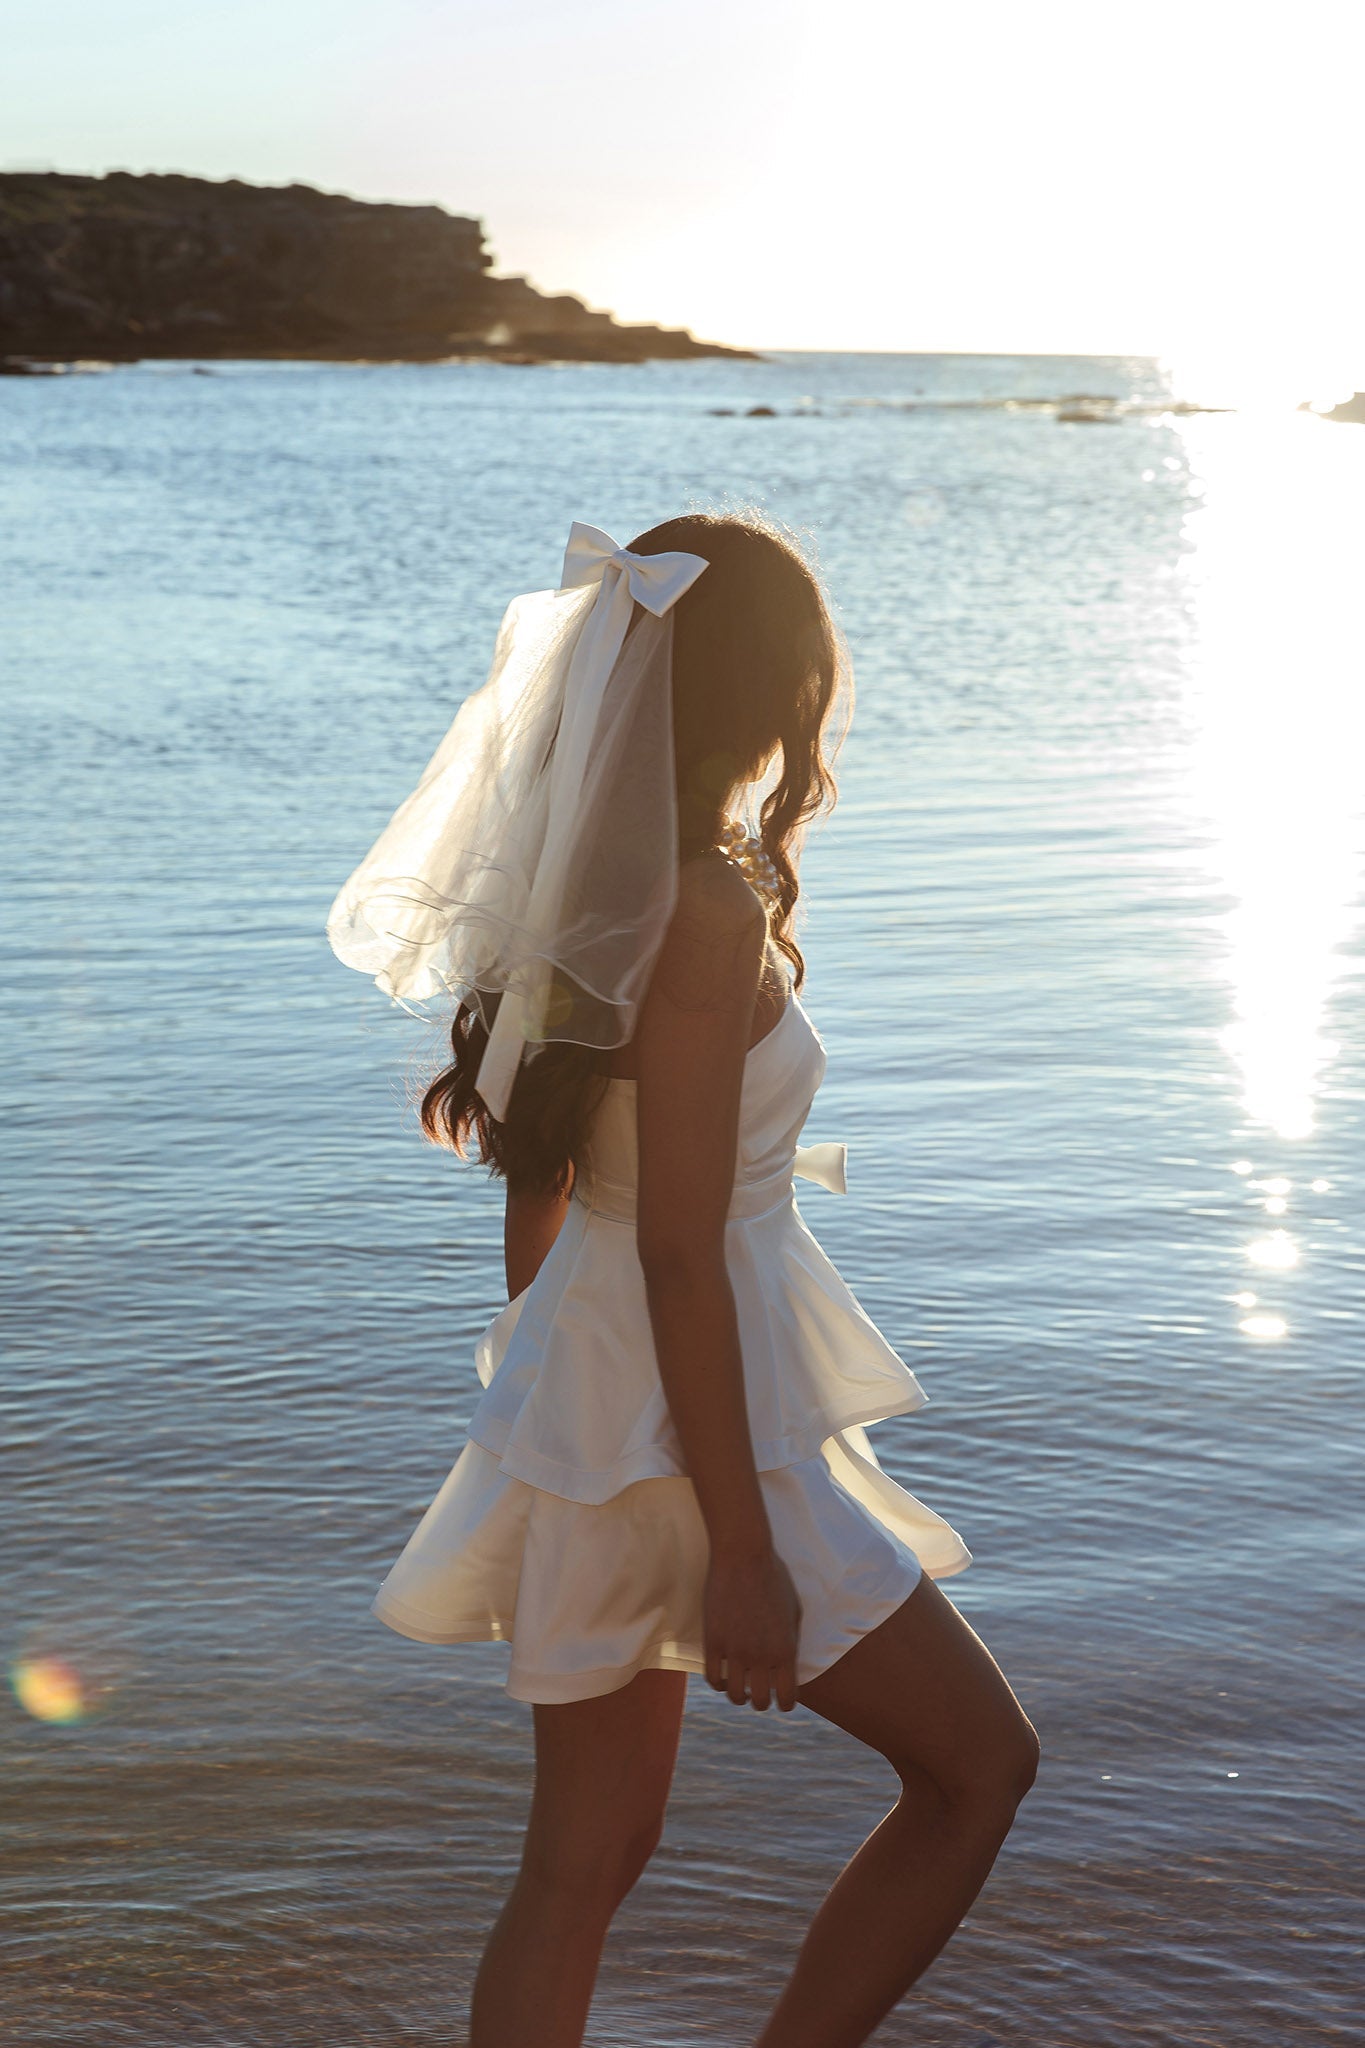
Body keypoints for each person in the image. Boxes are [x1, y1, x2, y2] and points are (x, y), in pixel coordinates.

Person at [328, 513, 1039, 2048]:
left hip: (596, 1394)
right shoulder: (701, 913)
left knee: (580, 1865)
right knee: (980, 1767)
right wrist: (737, 1546)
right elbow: (676, 1249)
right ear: (771, 688)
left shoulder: (585, 891)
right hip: (691, 1408)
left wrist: (543, 1396)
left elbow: (546, 1180)